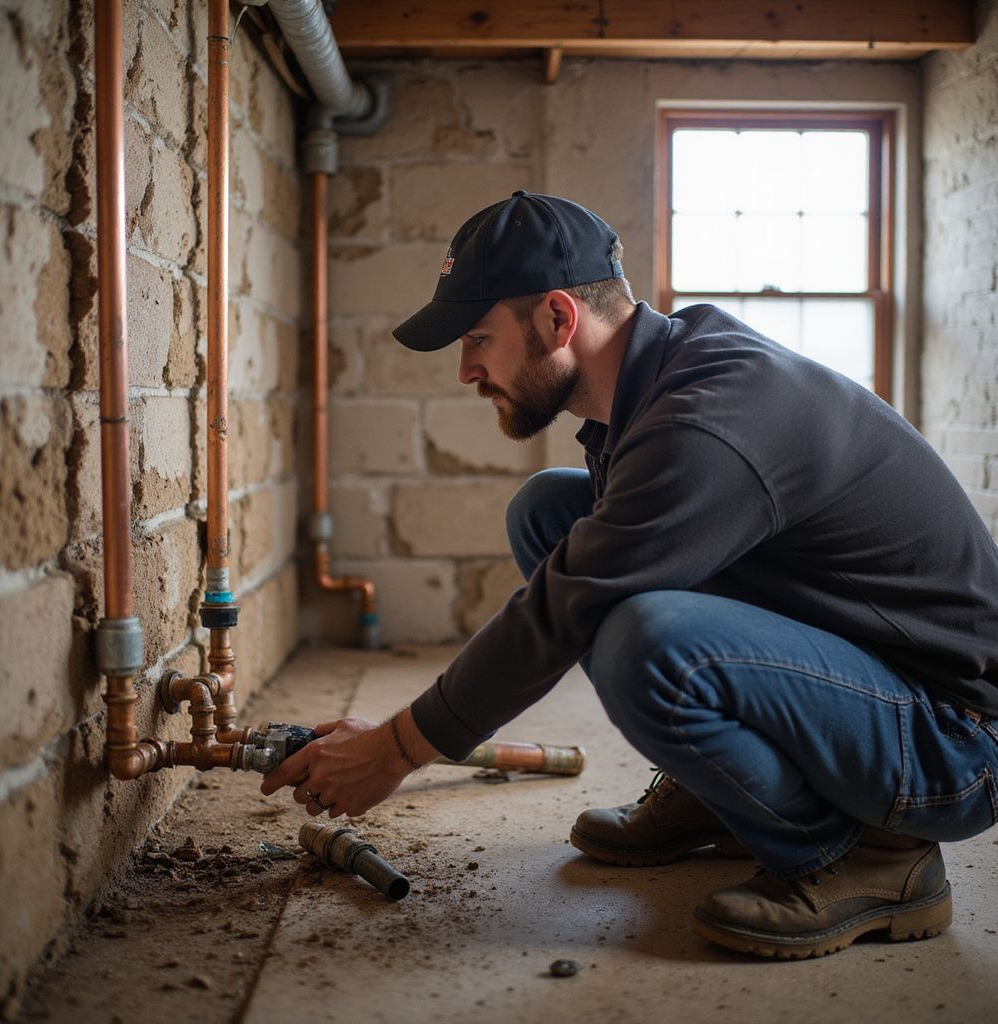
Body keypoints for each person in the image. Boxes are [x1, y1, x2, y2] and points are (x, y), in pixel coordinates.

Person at [261, 190, 998, 959]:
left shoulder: (707, 420)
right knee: (549, 511)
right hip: (869, 678)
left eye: (479, 337)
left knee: (650, 642)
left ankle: (863, 857)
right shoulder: (653, 383)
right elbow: (576, 572)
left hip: (953, 744)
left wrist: (395, 749)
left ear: (557, 318)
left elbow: (564, 609)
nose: (466, 368)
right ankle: (722, 794)